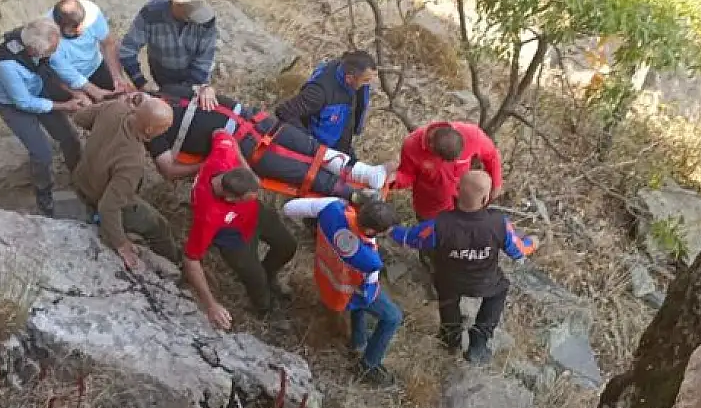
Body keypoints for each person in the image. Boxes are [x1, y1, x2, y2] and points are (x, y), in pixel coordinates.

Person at [388, 170, 538, 365]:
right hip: (485, 281)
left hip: (448, 279)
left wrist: (388, 228)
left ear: (456, 192)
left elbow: (409, 238)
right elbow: (518, 251)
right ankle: (479, 341)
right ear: (485, 198)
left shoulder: (439, 225)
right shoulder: (498, 223)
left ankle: (450, 338)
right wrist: (533, 243)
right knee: (500, 290)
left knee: (447, 297)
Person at [139, 86, 393, 200]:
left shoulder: (167, 91)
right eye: (131, 102)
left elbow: (202, 87)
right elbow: (168, 170)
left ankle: (367, 174)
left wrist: (207, 89)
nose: (133, 99)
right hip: (243, 149)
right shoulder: (153, 131)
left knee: (312, 149)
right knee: (306, 173)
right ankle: (359, 197)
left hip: (254, 120)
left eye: (132, 96)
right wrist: (209, 163)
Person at [182, 129, 298, 330]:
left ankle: (270, 276)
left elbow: (222, 133)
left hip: (255, 215)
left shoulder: (223, 157)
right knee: (255, 277)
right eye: (249, 196)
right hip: (233, 236)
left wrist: (247, 171)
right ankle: (265, 309)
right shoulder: (208, 215)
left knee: (287, 245)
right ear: (230, 199)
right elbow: (190, 259)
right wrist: (211, 305)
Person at [282, 196, 402, 387]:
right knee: (393, 317)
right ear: (371, 231)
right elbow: (368, 292)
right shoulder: (370, 261)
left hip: (325, 278)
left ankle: (358, 342)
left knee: (360, 304)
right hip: (347, 291)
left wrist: (339, 200)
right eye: (384, 232)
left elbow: (289, 208)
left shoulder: (331, 209)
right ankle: (369, 365)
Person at [0, 17, 89, 217]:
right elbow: (23, 103)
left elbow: (57, 66)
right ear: (33, 50)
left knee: (69, 138)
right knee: (42, 153)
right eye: (50, 51)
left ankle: (80, 180)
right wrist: (64, 105)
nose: (53, 53)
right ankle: (45, 201)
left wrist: (80, 90)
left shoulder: (36, 38)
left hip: (36, 89)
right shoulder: (4, 64)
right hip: (12, 106)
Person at [71, 96, 179, 270]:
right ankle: (174, 264)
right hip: (98, 196)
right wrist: (121, 244)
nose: (166, 131)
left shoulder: (115, 107)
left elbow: (79, 117)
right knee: (159, 226)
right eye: (165, 127)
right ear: (150, 130)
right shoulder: (132, 161)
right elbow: (108, 207)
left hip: (82, 180)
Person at [118, 0, 219, 109]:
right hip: (162, 76)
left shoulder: (207, 21)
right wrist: (141, 83)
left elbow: (204, 61)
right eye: (190, 15)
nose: (195, 21)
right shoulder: (151, 13)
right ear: (176, 6)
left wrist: (187, 92)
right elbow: (127, 51)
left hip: (195, 79)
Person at [391, 120, 503, 221]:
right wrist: (392, 180)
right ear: (431, 146)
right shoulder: (412, 146)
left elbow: (492, 155)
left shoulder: (472, 135)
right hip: (433, 208)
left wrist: (496, 185)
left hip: (465, 203)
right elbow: (407, 175)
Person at [275, 50, 377, 156]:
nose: (369, 84)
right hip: (319, 152)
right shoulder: (319, 92)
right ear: (349, 78)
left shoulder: (353, 76)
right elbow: (285, 111)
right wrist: (310, 143)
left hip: (341, 144)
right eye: (366, 80)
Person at [48, 0, 128, 99]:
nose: (80, 30)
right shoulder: (49, 35)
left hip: (95, 65)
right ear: (58, 27)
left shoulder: (92, 13)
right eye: (73, 30)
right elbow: (66, 71)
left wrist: (117, 77)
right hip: (68, 80)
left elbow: (108, 44)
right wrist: (94, 91)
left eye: (81, 25)